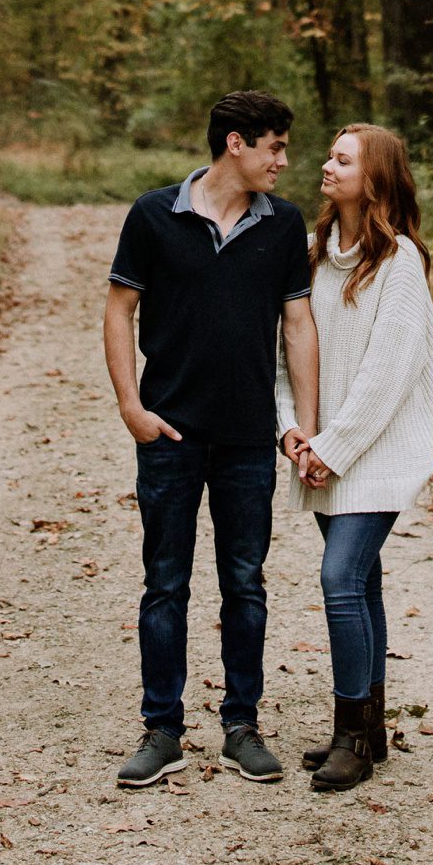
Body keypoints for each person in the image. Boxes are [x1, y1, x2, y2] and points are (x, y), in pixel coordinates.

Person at [104, 88, 318, 789]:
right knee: (164, 584)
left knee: (244, 584)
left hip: (247, 440)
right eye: (275, 146)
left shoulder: (283, 226)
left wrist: (302, 426)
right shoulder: (153, 215)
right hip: (168, 432)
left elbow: (298, 326)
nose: (284, 161)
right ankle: (161, 731)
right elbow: (119, 311)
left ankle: (241, 726)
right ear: (236, 144)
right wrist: (131, 408)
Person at [278, 122, 433, 793]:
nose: (326, 165)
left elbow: (388, 374)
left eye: (343, 160)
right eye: (329, 155)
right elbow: (288, 351)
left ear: (375, 176)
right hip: (323, 450)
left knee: (340, 578)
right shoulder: (316, 256)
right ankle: (369, 730)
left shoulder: (400, 262)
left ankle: (351, 734)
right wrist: (292, 431)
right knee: (363, 582)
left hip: (376, 452)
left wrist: (334, 448)